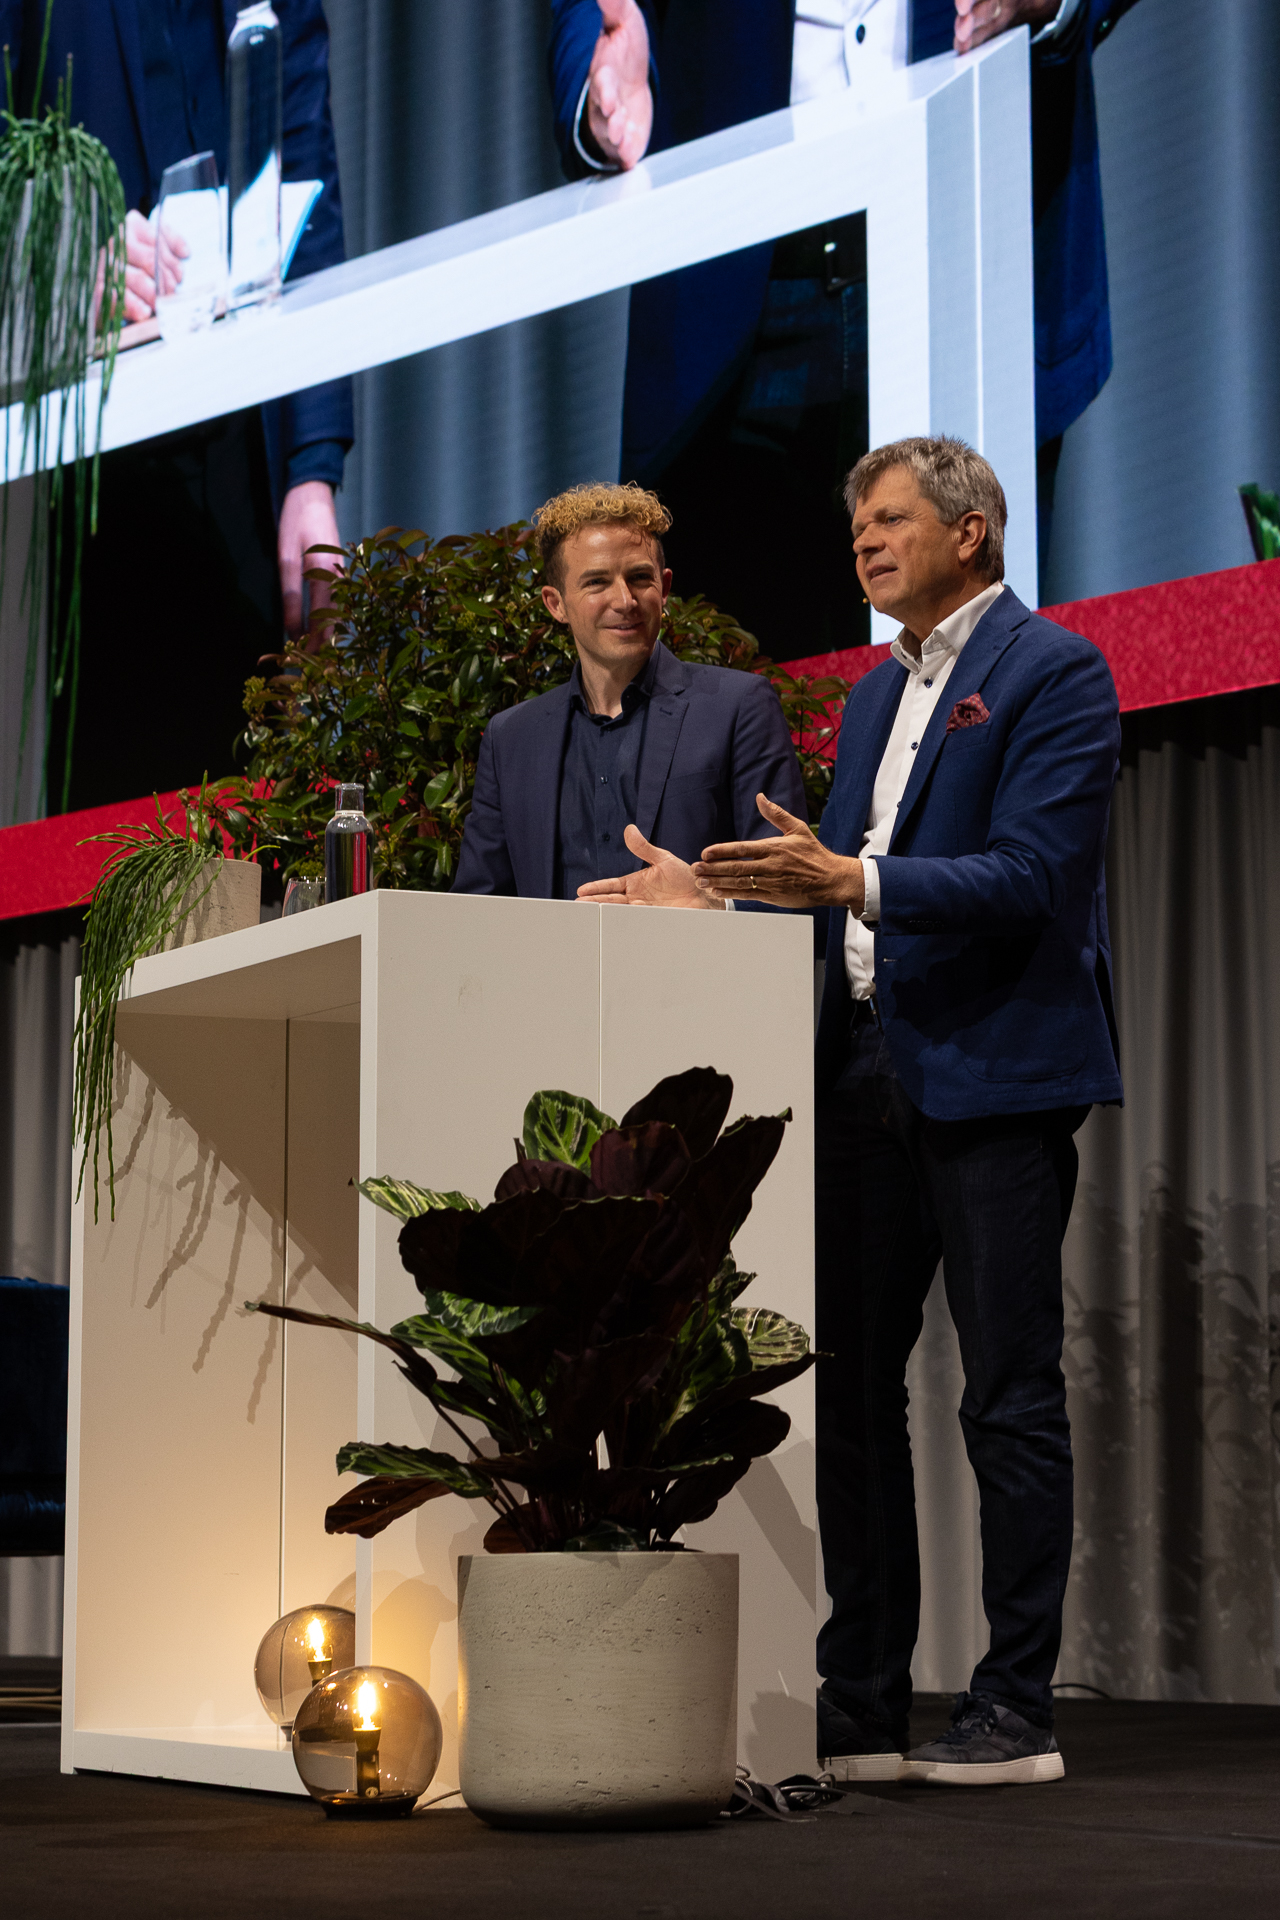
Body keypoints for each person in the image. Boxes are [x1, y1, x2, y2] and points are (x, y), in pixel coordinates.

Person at [694, 436, 1123, 1784]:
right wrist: (715, 895)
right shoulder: (876, 702)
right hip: (866, 1071)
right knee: (854, 1391)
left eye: (892, 520)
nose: (867, 542)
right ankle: (865, 1702)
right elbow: (833, 885)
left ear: (974, 532)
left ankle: (1015, 1708)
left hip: (996, 1072)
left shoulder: (1055, 672)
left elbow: (1036, 877)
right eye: (858, 524)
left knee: (1005, 1394)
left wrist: (854, 883)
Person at [548, 1, 1141, 610]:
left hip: (976, 245)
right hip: (740, 289)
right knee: (744, 689)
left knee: (976, 682)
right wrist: (594, 63)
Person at [0, 0, 353, 808]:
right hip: (91, 482)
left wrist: (312, 470)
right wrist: (55, 255)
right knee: (126, 860)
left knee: (279, 836)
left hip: (251, 462)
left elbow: (304, 164)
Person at [452, 482, 806, 904]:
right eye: (597, 582)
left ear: (665, 587)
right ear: (556, 603)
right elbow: (479, 907)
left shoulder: (739, 707)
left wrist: (712, 905)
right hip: (553, 971)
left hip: (696, 968)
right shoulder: (511, 738)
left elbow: (792, 889)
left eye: (639, 578)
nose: (625, 600)